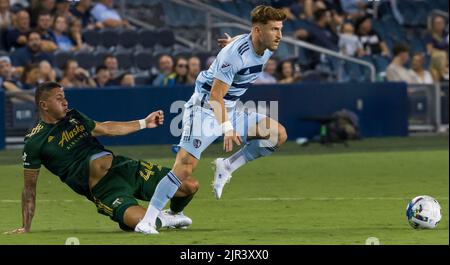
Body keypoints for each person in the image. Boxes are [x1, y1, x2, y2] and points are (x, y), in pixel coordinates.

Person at [133, 5, 288, 234]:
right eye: (274, 29)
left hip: (230, 109)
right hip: (205, 110)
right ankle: (147, 221)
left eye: (280, 29)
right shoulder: (234, 55)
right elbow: (216, 96)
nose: (279, 35)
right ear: (258, 30)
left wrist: (232, 41)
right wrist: (227, 128)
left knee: (277, 134)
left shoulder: (265, 47)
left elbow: (244, 40)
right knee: (185, 166)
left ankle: (227, 166)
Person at [5, 81, 197, 235]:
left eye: (64, 97)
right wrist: (26, 226)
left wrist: (144, 123)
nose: (65, 102)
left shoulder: (74, 116)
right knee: (148, 224)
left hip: (124, 168)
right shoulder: (35, 141)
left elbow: (106, 128)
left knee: (189, 185)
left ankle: (172, 214)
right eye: (59, 98)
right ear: (44, 105)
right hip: (106, 191)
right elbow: (29, 188)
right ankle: (159, 218)